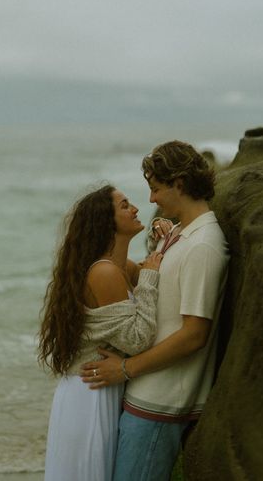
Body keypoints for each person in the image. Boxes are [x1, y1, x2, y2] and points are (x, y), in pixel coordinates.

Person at [81, 141, 230, 481]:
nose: (150, 200)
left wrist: (125, 369)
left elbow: (194, 334)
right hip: (145, 397)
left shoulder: (204, 245)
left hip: (160, 404)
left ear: (179, 184)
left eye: (156, 189)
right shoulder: (179, 234)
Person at [39, 184, 163, 481]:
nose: (134, 208)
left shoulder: (121, 267)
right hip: (90, 395)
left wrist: (162, 242)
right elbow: (137, 339)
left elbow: (149, 268)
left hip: (100, 386)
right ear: (105, 222)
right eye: (124, 205)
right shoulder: (103, 272)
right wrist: (150, 278)